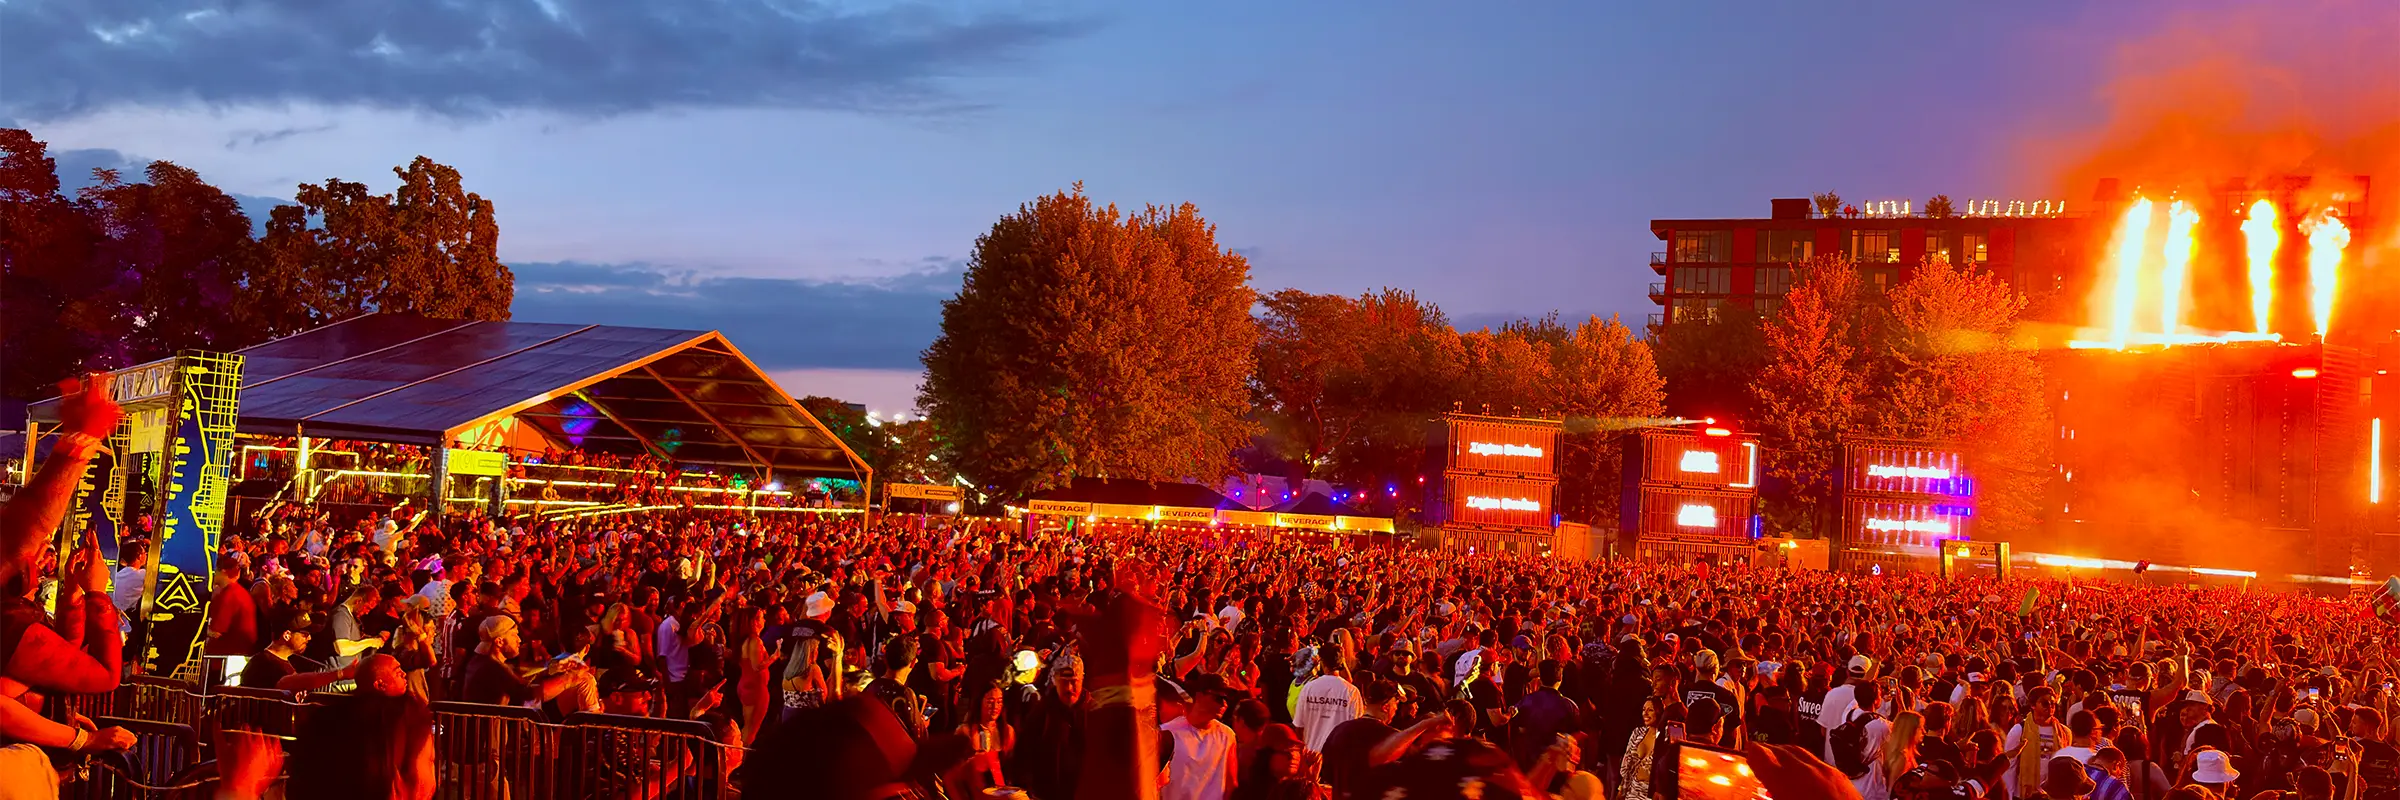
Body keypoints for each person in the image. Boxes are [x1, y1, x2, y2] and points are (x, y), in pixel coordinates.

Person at [1162, 673, 1240, 800]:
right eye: (1218, 698)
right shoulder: (1168, 733)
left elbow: (1231, 784)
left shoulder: (1227, 735)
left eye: (1227, 700)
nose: (1224, 704)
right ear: (1199, 695)